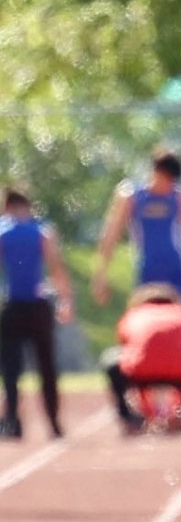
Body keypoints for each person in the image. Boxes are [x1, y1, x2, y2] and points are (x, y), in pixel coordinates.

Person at [0, 185, 73, 439]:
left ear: (6, 206)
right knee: (47, 367)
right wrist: (66, 301)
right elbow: (56, 267)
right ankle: (53, 422)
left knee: (11, 368)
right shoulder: (42, 231)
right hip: (38, 306)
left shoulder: (3, 232)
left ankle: (12, 421)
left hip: (13, 306)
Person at [92, 146, 181, 306]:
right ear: (155, 172)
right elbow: (111, 234)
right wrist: (101, 274)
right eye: (167, 178)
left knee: (179, 324)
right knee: (146, 323)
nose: (169, 185)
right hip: (147, 271)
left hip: (176, 272)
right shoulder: (132, 197)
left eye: (173, 180)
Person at [102, 283, 181, 433]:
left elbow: (126, 346)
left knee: (111, 362)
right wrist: (177, 408)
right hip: (180, 371)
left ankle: (127, 417)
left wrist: (147, 412)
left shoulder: (133, 315)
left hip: (139, 371)